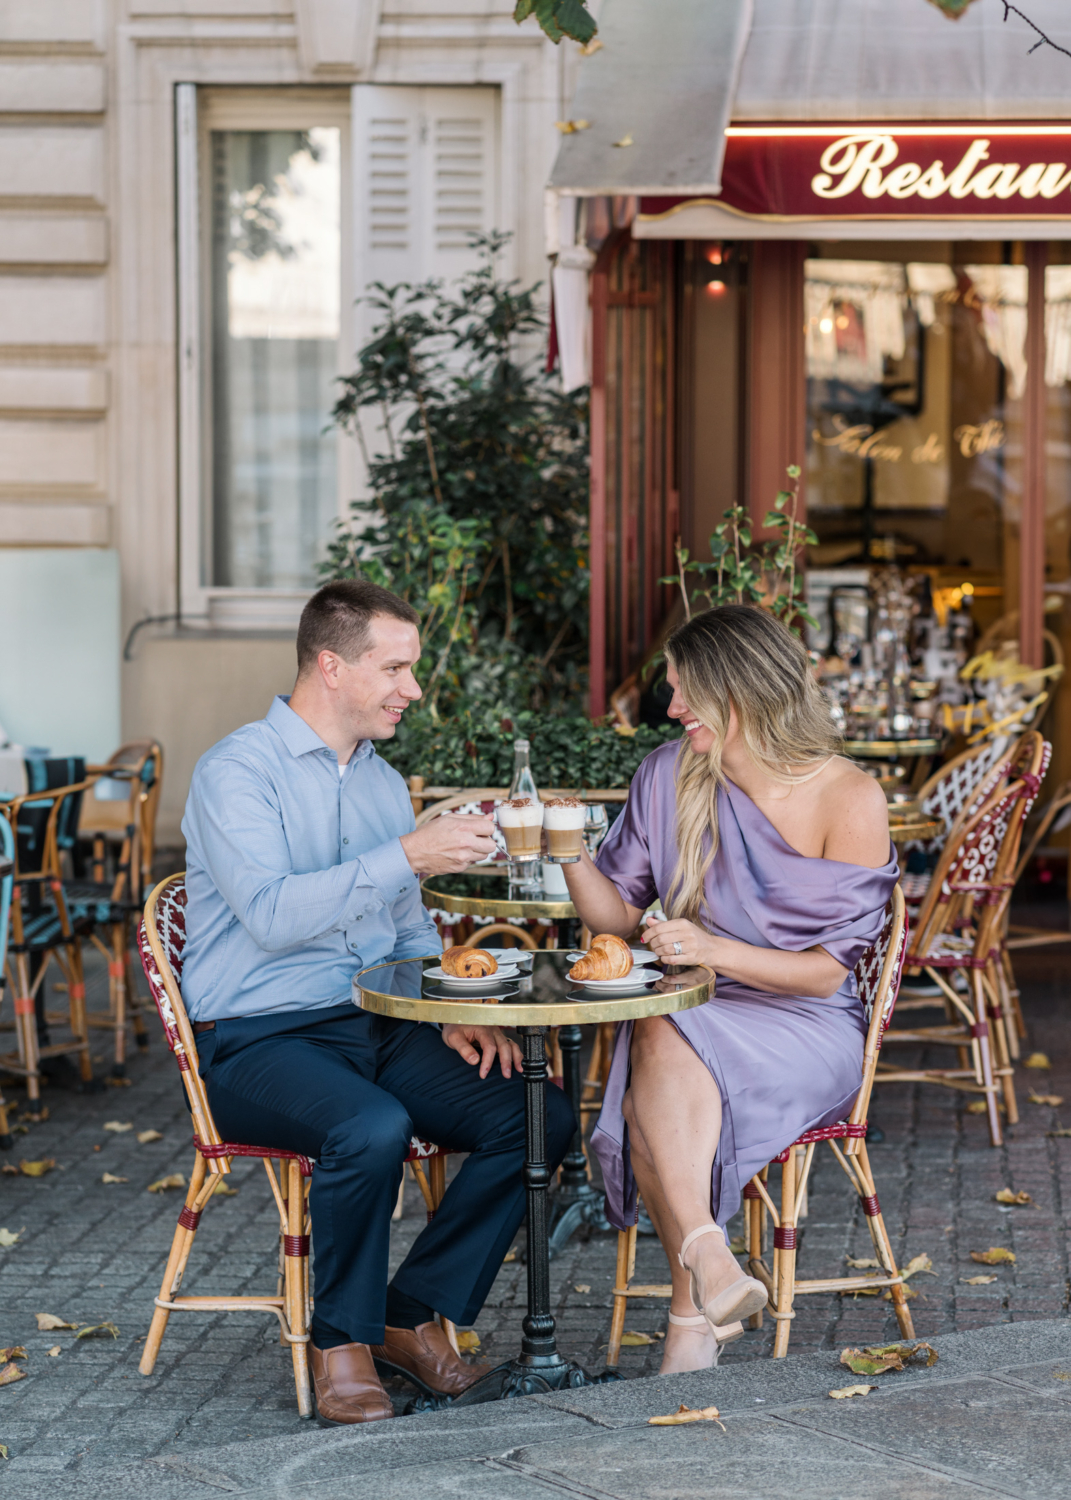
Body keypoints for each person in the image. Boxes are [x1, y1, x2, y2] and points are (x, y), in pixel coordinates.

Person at [181, 579, 574, 1424]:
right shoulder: (235, 772)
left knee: (536, 1112)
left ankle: (407, 1315)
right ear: (331, 666)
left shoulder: (380, 780)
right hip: (256, 1037)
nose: (413, 688)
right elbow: (274, 915)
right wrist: (407, 853)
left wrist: (447, 1012)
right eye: (395, 668)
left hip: (376, 1023)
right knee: (368, 1128)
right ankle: (341, 1344)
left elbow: (405, 939)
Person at [562, 604, 897, 1374]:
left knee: (655, 1063)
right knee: (657, 1027)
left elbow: (825, 973)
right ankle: (709, 1267)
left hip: (806, 1022)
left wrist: (713, 948)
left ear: (737, 691)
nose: (671, 708)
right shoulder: (667, 774)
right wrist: (567, 849)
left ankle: (690, 1307)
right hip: (696, 1007)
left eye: (685, 691)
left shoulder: (848, 797)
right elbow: (611, 917)